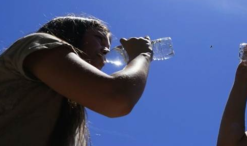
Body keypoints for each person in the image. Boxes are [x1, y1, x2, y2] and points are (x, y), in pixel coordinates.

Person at [0, 15, 153, 145]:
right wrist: (142, 55)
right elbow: (117, 97)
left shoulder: (71, 108)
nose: (106, 50)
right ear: (71, 34)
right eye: (99, 38)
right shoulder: (38, 42)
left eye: (108, 46)